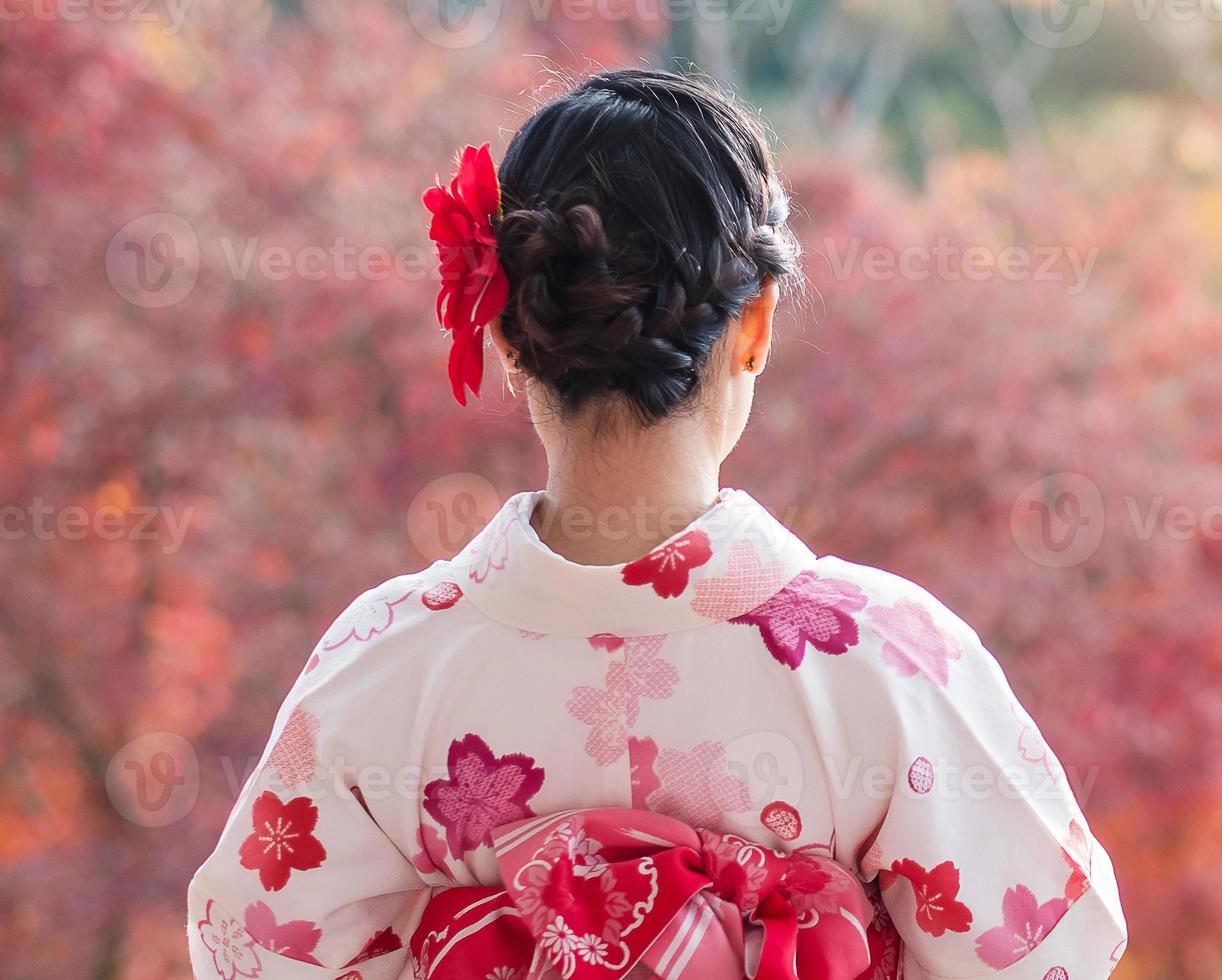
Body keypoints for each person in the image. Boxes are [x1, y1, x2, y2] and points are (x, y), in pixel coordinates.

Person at [186, 68, 1125, 980]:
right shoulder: (884, 664)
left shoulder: (387, 662)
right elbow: (1051, 949)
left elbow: (254, 949)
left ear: (506, 330)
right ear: (755, 323)